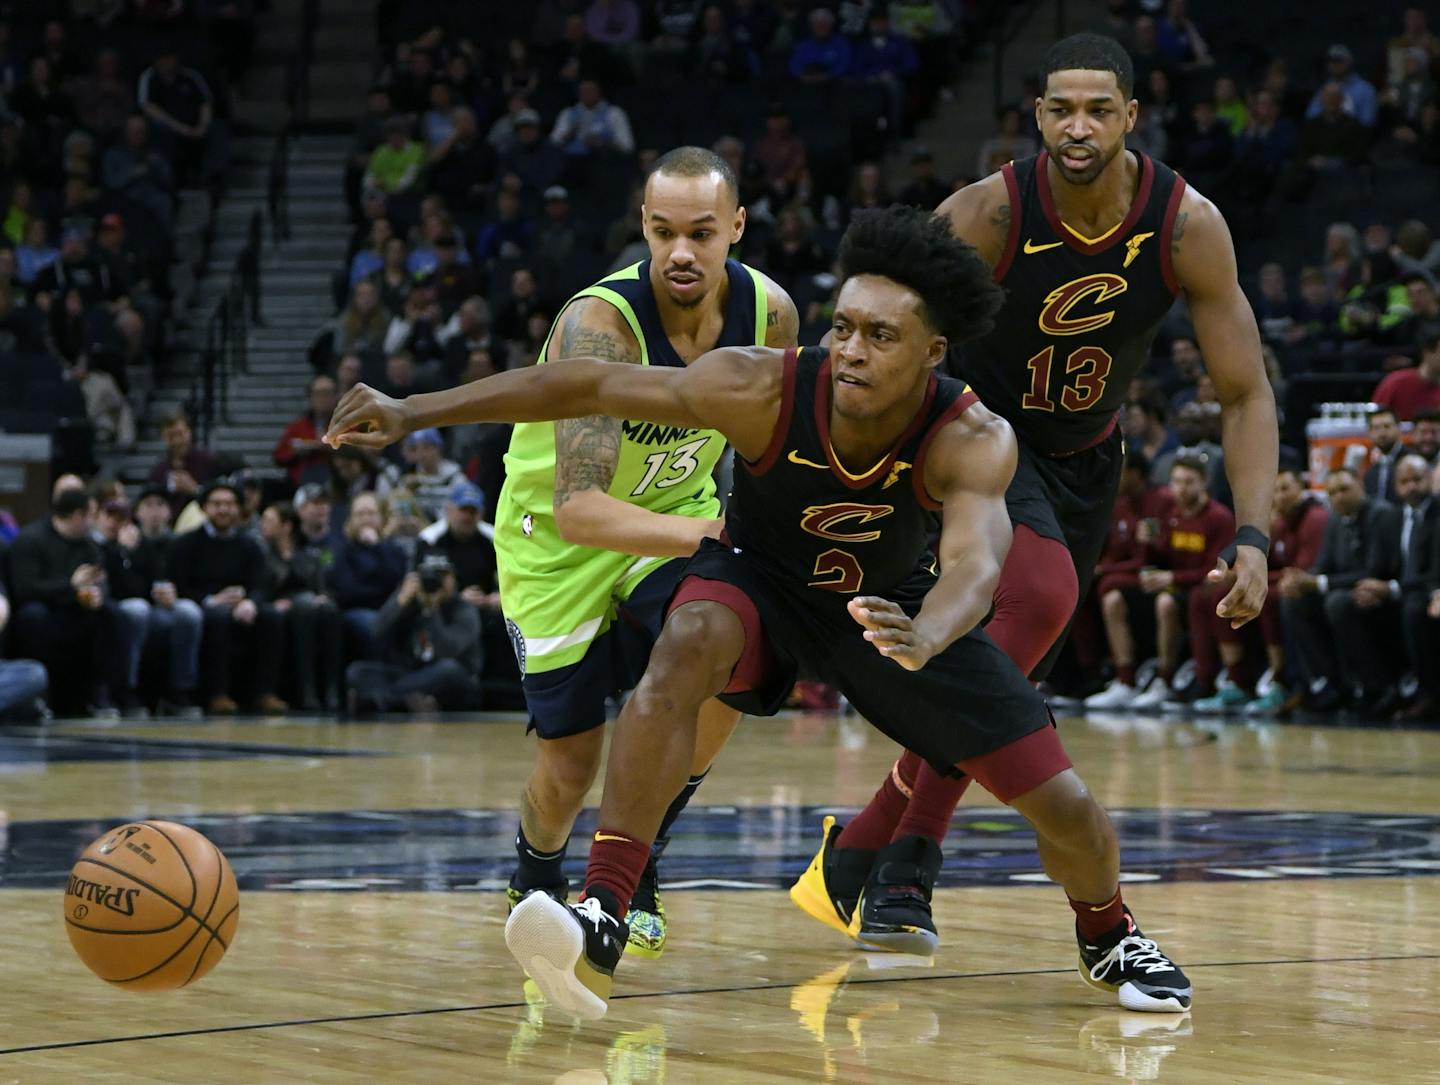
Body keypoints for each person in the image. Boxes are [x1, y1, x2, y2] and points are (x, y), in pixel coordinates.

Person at [324, 203, 1193, 1019]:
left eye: (880, 336)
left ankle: (1108, 933)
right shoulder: (760, 387)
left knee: (1072, 810)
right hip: (761, 583)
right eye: (843, 326)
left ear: (933, 353)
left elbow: (976, 561)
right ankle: (605, 907)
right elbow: (579, 384)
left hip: (887, 613)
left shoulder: (973, 436)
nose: (851, 349)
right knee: (686, 641)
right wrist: (414, 410)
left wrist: (929, 632)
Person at [801, 32, 1276, 945]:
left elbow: (1246, 391)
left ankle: (871, 854)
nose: (1079, 126)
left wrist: (1252, 532)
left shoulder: (1184, 223)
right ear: (1038, 115)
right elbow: (880, 318)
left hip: (1087, 462)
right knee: (1041, 596)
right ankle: (900, 857)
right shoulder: (991, 210)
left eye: (1100, 109)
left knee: (1002, 665)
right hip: (974, 437)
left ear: (1133, 117)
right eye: (1061, 108)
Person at [167, 481, 287, 715]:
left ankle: (265, 693)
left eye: (230, 504)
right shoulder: (185, 544)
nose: (223, 509)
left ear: (239, 509)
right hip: (205, 605)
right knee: (217, 617)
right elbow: (179, 586)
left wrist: (251, 602)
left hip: (242, 604)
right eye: (217, 504)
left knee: (271, 616)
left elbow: (262, 582)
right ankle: (217, 694)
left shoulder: (250, 544)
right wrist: (212, 599)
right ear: (204, 508)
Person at [6, 487, 125, 716]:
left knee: (112, 614)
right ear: (78, 515)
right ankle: (40, 696)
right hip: (42, 608)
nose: (93, 522)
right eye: (91, 515)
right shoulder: (31, 539)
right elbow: (24, 589)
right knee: (34, 616)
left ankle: (100, 694)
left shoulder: (89, 545)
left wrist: (98, 595)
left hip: (74, 608)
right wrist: (70, 586)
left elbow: (100, 580)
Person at [345, 553, 482, 714]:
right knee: (357, 671)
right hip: (411, 674)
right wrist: (400, 601)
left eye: (442, 576)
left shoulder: (464, 609)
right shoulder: (408, 599)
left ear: (454, 579)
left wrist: (431, 610)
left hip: (450, 676)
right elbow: (375, 632)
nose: (435, 581)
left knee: (448, 669)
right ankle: (407, 699)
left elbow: (447, 650)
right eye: (429, 575)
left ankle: (384, 699)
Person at [274, 374, 339, 486]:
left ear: (336, 397)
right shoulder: (297, 426)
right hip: (299, 481)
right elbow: (279, 456)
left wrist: (329, 446)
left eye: (327, 393)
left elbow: (357, 452)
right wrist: (296, 451)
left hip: (337, 480)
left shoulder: (345, 424)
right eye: (318, 394)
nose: (322, 398)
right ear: (311, 397)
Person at [1364, 407, 1405, 501]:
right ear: (1369, 433)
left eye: (1387, 426)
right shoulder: (1369, 470)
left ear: (1398, 428)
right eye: (1376, 428)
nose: (1382, 433)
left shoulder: (1411, 460)